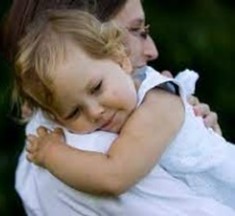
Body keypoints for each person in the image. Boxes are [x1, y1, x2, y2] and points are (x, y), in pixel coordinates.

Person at [3, 0, 226, 215]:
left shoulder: (159, 101)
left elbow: (114, 174)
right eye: (73, 112)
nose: (94, 112)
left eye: (97, 88)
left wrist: (51, 152)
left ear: (119, 59)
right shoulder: (88, 146)